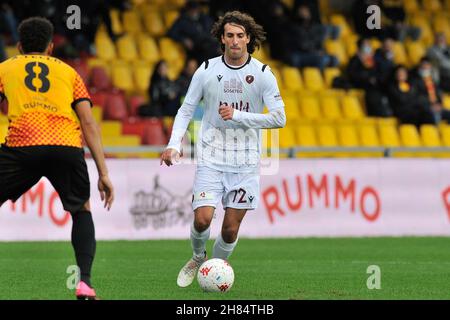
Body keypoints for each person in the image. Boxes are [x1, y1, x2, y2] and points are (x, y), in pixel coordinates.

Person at [160, 11, 286, 288]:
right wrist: (173, 144)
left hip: (245, 163)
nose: (235, 41)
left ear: (249, 39)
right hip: (212, 157)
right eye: (230, 35)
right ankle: (197, 257)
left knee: (229, 229)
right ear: (222, 38)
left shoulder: (263, 74)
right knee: (203, 219)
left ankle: (211, 270)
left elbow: (279, 118)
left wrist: (239, 117)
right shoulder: (206, 69)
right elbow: (186, 109)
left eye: (240, 36)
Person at [0, 17, 114, 300]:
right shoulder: (69, 72)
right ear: (51, 47)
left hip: (23, 143)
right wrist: (103, 173)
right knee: (82, 210)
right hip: (65, 144)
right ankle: (85, 283)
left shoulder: (4, 68)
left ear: (18, 46)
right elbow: (88, 122)